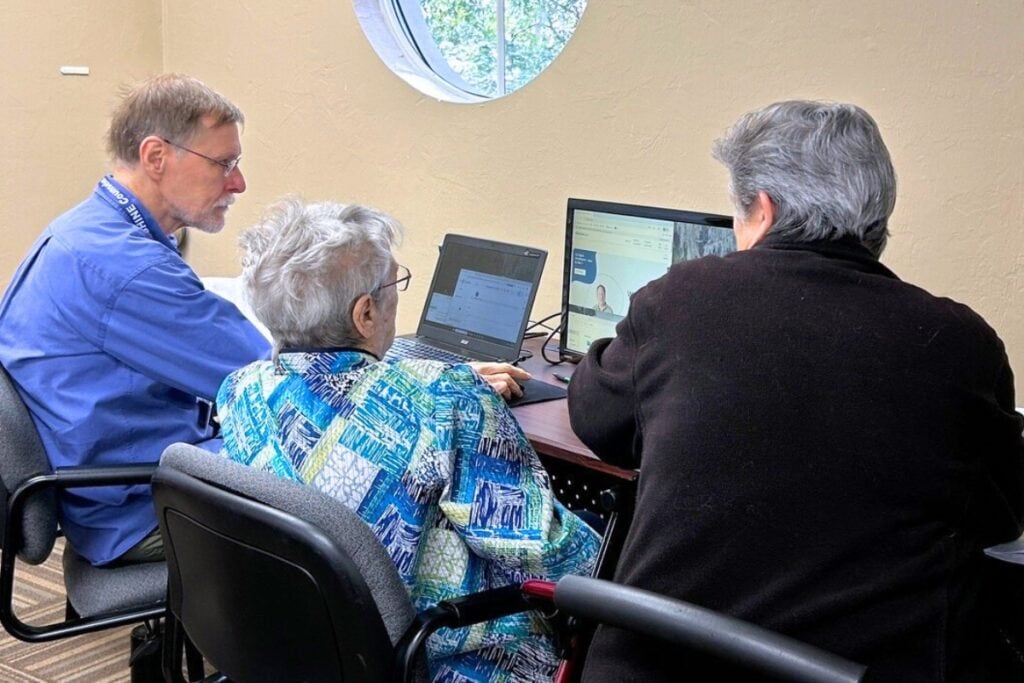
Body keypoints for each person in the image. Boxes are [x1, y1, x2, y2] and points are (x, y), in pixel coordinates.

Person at [568, 101, 1024, 681]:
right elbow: (999, 516)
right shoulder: (962, 342)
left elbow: (597, 418)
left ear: (763, 208)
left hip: (651, 664)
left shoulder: (680, 297)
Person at [0, 74, 527, 568]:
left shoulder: (86, 232)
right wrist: (442, 384)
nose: (239, 183)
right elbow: (294, 380)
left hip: (110, 477)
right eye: (223, 164)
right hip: (138, 507)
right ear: (156, 156)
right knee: (391, 493)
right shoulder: (125, 269)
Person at [215, 197, 600, 682]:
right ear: (366, 314)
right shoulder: (445, 398)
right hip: (440, 657)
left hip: (314, 649)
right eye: (395, 284)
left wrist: (420, 373)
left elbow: (328, 387)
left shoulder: (241, 390)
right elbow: (540, 548)